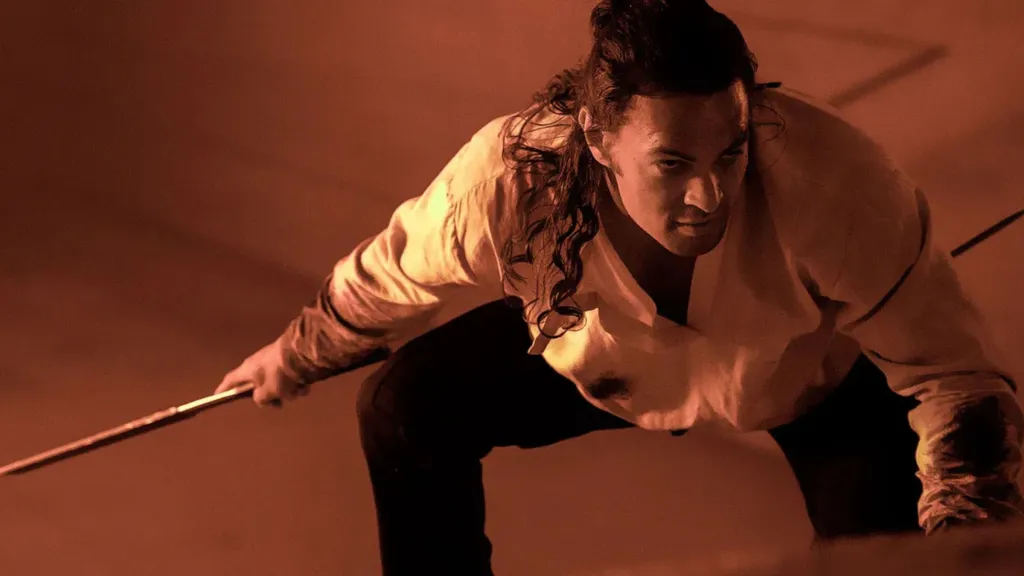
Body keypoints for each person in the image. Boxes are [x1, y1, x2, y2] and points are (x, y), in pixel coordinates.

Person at [215, 0, 1024, 573]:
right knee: (403, 404)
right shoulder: (511, 178)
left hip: (808, 378)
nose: (709, 195)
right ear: (598, 138)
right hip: (597, 356)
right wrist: (296, 354)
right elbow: (394, 273)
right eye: (672, 162)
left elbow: (954, 376)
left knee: (892, 563)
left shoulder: (838, 183)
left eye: (730, 153)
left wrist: (965, 531)